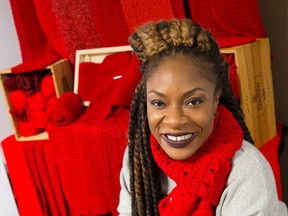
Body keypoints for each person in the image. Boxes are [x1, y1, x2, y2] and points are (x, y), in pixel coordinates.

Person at [117, 18, 288, 215]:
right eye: (158, 103)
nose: (174, 120)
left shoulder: (246, 172)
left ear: (216, 100)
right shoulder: (138, 158)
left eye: (193, 102)